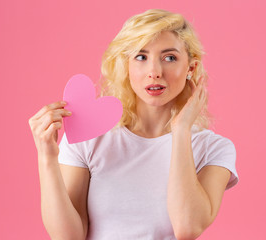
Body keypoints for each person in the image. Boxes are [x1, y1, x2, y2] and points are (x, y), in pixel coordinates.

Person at [29, 9, 239, 240]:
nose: (154, 72)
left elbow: (187, 227)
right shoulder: (89, 137)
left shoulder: (214, 148)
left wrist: (181, 131)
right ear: (126, 65)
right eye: (141, 57)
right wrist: (46, 157)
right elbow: (68, 237)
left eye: (169, 58)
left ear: (190, 68)